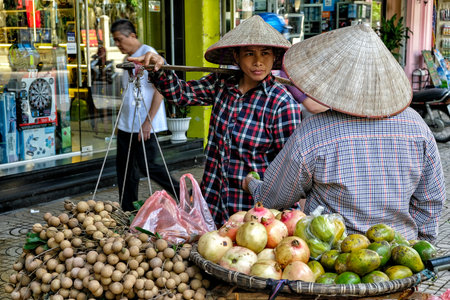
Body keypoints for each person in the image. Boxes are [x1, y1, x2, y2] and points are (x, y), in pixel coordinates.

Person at [243, 24, 446, 243]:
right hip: (400, 256)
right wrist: (419, 245)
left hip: (333, 262)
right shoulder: (417, 126)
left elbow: (274, 197)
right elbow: (430, 201)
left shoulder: (313, 132)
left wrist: (252, 185)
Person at [129, 15, 302, 226]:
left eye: (265, 54)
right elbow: (181, 94)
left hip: (253, 214)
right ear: (236, 57)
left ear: (274, 57)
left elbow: (289, 170)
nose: (258, 62)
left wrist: (288, 220)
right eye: (249, 54)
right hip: (213, 200)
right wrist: (159, 67)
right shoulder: (221, 84)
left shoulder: (282, 104)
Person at [111, 19, 180, 211]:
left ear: (132, 36)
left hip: (145, 124)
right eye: (114, 41)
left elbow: (160, 90)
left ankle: (182, 194)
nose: (117, 44)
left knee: (148, 165)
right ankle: (128, 210)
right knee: (124, 170)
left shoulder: (150, 55)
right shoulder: (129, 59)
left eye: (119, 39)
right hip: (127, 124)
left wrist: (148, 121)